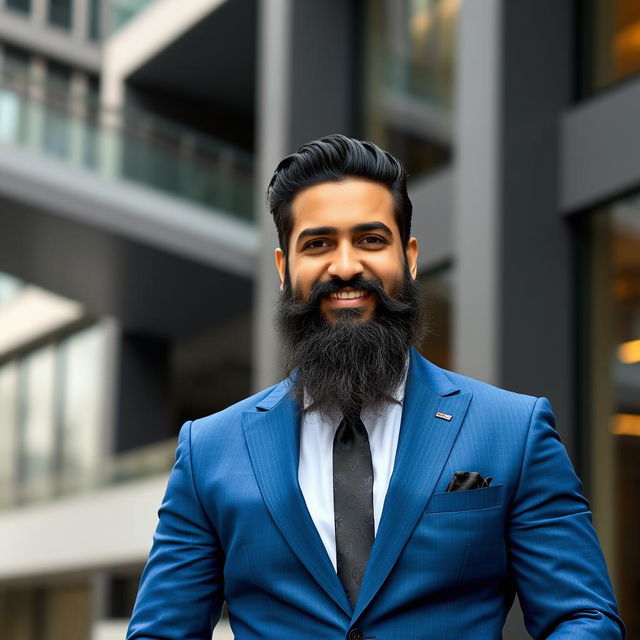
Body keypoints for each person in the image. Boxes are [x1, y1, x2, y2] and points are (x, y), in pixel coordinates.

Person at [126, 134, 625, 639]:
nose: (346, 266)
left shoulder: (513, 431)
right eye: (318, 244)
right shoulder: (209, 450)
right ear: (284, 269)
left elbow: (584, 618)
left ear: (408, 259)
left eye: (370, 240)